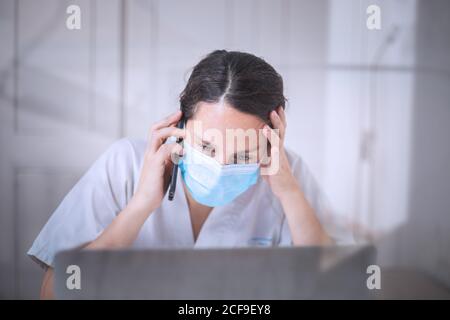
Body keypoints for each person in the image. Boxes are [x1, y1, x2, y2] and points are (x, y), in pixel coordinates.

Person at [28, 50, 353, 299]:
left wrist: (289, 192)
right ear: (179, 125)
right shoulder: (125, 162)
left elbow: (336, 288)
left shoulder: (286, 172)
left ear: (273, 138)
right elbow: (54, 292)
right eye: (207, 148)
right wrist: (140, 206)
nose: (222, 167)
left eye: (243, 154)